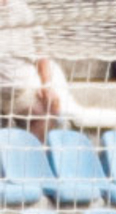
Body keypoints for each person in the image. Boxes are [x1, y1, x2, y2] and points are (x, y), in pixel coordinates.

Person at [0, 0, 58, 141]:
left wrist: (47, 85)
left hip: (22, 89)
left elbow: (42, 50)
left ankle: (35, 157)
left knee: (48, 110)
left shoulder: (22, 9)